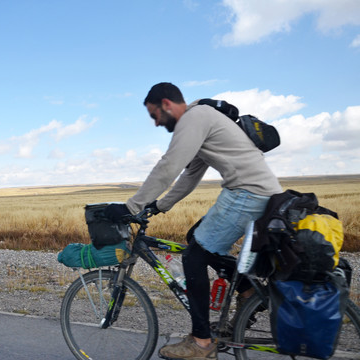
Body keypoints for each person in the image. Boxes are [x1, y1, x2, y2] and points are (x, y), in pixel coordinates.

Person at [105, 82, 282, 359]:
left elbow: (169, 166)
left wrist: (130, 206)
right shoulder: (203, 120)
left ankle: (201, 342)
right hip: (253, 192)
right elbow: (190, 175)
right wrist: (159, 205)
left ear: (166, 104)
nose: (155, 123)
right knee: (195, 238)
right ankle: (248, 291)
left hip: (247, 193)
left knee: (194, 257)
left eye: (154, 116)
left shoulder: (194, 118)